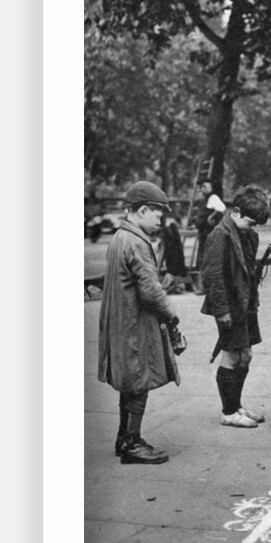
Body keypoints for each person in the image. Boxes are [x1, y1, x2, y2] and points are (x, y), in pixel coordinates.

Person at [98, 181, 185, 464]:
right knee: (139, 381)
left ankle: (124, 438)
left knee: (130, 381)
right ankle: (132, 444)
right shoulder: (136, 242)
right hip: (134, 324)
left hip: (120, 322)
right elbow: (150, 290)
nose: (160, 220)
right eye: (157, 214)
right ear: (143, 210)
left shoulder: (121, 237)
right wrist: (172, 316)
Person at [201, 186, 271, 428]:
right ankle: (229, 412)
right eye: (251, 222)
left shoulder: (248, 235)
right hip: (229, 307)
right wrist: (222, 311)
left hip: (245, 304)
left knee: (246, 355)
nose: (254, 228)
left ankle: (236, 405)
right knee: (231, 356)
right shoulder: (219, 235)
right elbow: (212, 276)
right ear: (236, 212)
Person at [195, 180, 227, 273]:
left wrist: (211, 217)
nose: (202, 189)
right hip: (203, 231)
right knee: (203, 252)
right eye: (202, 187)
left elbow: (222, 208)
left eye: (204, 187)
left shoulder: (213, 197)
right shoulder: (205, 199)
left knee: (207, 253)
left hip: (208, 231)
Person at [160, 212, 188, 294]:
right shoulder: (169, 230)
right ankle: (173, 277)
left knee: (171, 245)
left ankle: (171, 278)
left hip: (170, 265)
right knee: (174, 243)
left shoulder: (164, 231)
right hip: (177, 264)